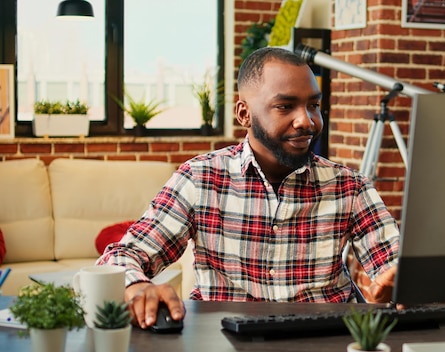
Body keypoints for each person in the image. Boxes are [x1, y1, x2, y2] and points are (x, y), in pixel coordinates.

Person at [96, 47, 400, 330]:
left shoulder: (349, 186)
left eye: (314, 105)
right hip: (221, 339)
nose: (306, 121)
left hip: (324, 340)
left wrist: (402, 281)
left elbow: (394, 261)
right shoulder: (201, 179)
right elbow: (120, 256)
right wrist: (137, 287)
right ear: (244, 114)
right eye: (285, 106)